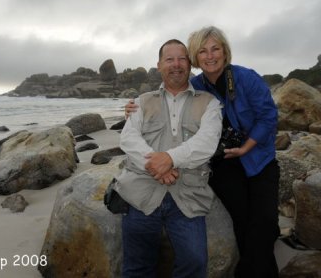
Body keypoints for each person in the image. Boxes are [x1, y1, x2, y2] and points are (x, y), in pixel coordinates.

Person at [126, 26, 280, 278]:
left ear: (225, 51)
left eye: (215, 49)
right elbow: (169, 93)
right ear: (195, 59)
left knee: (264, 223)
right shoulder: (195, 87)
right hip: (224, 164)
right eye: (202, 51)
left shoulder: (246, 78)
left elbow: (268, 116)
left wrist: (246, 147)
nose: (210, 56)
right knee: (242, 220)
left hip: (258, 159)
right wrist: (134, 109)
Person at [114, 39, 222, 278]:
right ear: (159, 65)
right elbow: (129, 138)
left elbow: (207, 143)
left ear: (190, 64)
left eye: (182, 58)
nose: (176, 64)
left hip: (188, 196)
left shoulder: (210, 104)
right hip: (141, 194)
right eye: (169, 59)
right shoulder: (141, 102)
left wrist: (170, 159)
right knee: (137, 269)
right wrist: (155, 165)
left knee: (195, 264)